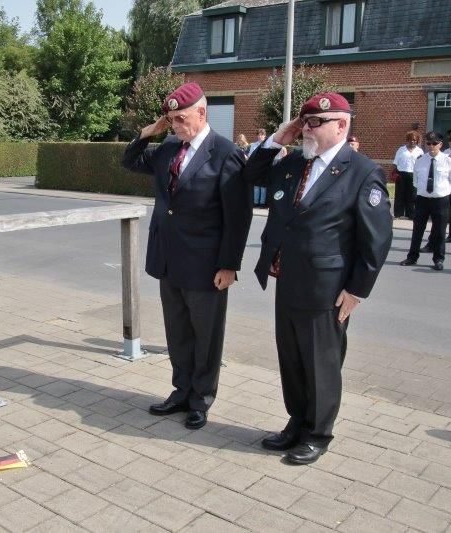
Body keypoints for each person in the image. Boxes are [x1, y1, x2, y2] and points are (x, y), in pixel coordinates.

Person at [243, 92, 392, 464]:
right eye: (305, 122)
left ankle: (319, 433)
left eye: (315, 123)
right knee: (291, 358)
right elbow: (249, 174)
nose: (307, 129)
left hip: (327, 287)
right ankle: (297, 422)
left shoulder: (361, 171)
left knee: (320, 362)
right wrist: (280, 136)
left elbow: (376, 240)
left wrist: (357, 289)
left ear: (342, 125)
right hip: (287, 278)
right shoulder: (294, 161)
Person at [121, 82, 253, 430]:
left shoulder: (225, 153)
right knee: (177, 333)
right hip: (169, 258)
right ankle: (180, 391)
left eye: (182, 118)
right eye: (172, 119)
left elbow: (238, 216)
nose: (177, 125)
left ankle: (201, 399)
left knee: (206, 336)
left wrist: (230, 264)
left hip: (207, 265)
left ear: (202, 113)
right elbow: (130, 161)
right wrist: (150, 132)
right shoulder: (167, 148)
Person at [400, 131, 451, 271]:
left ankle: (438, 259)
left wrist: (441, 191)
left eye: (434, 144)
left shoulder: (448, 161)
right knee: (417, 230)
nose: (431, 146)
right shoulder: (420, 160)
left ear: (441, 144)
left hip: (440, 200)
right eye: (428, 143)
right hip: (422, 200)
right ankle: (412, 257)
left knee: (439, 231)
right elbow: (415, 181)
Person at [392, 131, 423, 219]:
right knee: (400, 194)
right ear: (407, 140)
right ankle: (398, 213)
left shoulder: (419, 151)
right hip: (401, 173)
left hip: (414, 174)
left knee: (412, 195)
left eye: (414, 140)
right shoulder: (401, 150)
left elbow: (422, 164)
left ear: (417, 141)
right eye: (410, 140)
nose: (412, 141)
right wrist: (394, 173)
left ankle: (411, 214)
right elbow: (395, 163)